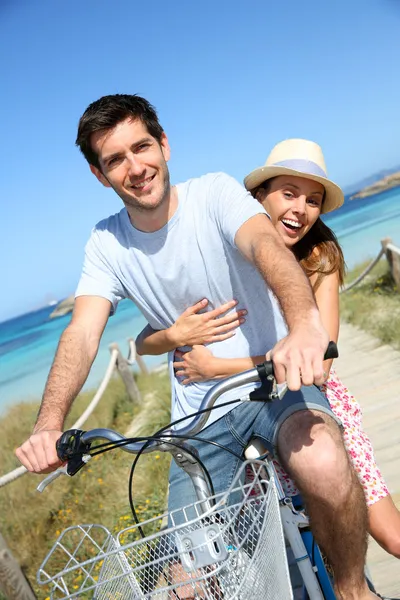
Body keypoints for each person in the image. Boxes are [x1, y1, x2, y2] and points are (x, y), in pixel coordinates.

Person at [15, 95, 375, 599]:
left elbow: (265, 247)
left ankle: (355, 592)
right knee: (183, 579)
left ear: (164, 145)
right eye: (115, 159)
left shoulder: (215, 194)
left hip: (274, 387)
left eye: (142, 147)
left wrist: (304, 325)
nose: (135, 167)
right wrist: (49, 423)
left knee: (324, 463)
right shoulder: (105, 244)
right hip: (198, 419)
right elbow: (82, 331)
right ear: (101, 176)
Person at [139, 138, 400, 562]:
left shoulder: (319, 258)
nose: (300, 209)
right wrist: (175, 334)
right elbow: (143, 341)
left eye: (312, 200)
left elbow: (324, 362)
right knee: (281, 558)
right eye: (289, 194)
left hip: (310, 412)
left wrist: (217, 367)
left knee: (388, 534)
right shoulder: (230, 250)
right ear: (259, 197)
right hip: (243, 424)